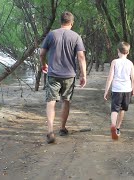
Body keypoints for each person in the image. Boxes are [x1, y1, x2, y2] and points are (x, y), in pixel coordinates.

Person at [40, 11, 87, 144]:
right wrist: (83, 75)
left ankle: (50, 131)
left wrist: (44, 65)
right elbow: (81, 57)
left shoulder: (51, 34)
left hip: (53, 74)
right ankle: (62, 128)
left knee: (51, 101)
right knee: (66, 101)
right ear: (72, 23)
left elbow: (41, 53)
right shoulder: (76, 36)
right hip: (69, 75)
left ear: (60, 22)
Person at [104, 42, 134, 140]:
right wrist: (133, 89)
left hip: (116, 89)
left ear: (118, 51)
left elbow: (110, 78)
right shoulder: (130, 63)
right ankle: (117, 128)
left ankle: (113, 125)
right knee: (122, 109)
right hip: (127, 89)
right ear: (128, 52)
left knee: (114, 109)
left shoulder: (115, 62)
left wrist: (106, 91)